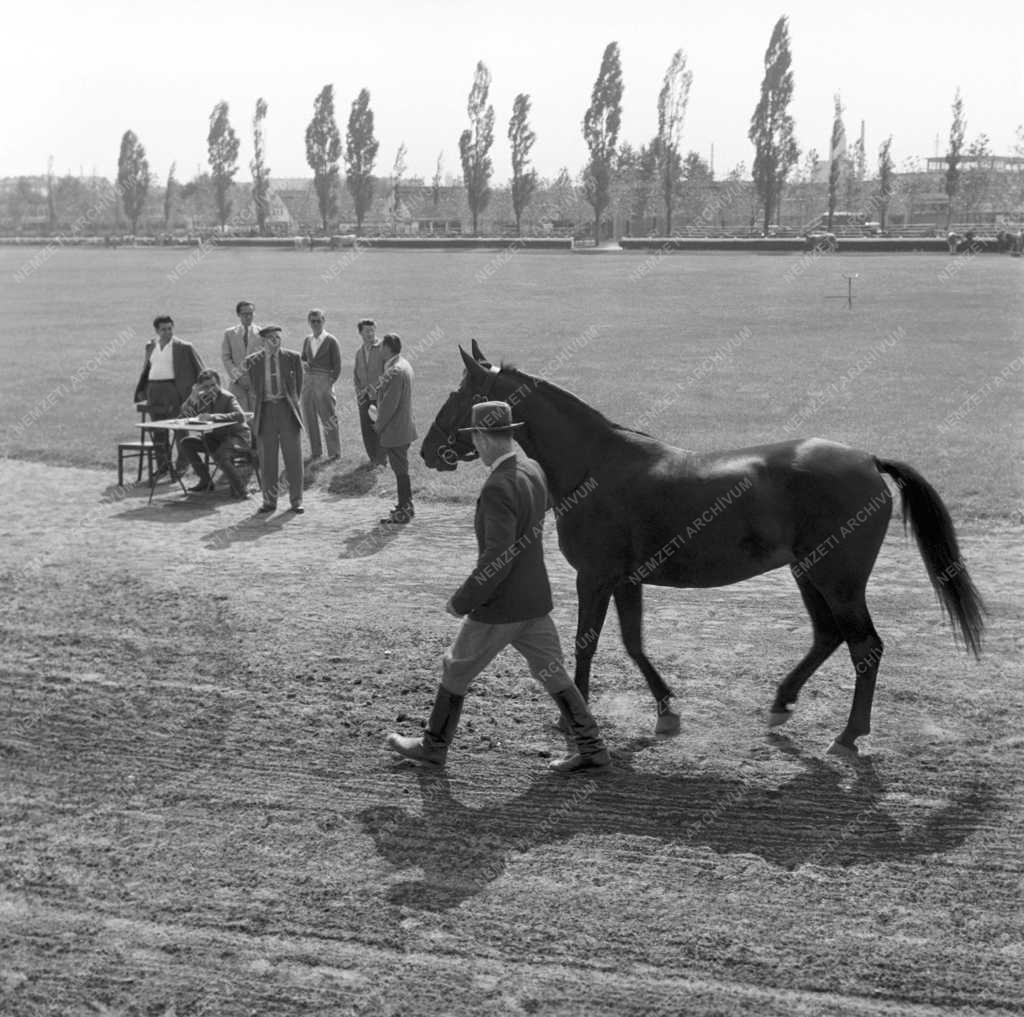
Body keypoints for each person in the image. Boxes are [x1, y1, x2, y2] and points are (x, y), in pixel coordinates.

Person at [386, 400, 611, 775]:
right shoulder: (532, 469)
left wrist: (463, 600)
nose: (475, 445)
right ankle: (592, 748)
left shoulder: (497, 487)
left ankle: (433, 747)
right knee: (553, 671)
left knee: (456, 668)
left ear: (483, 437)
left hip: (501, 607)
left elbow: (498, 556)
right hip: (535, 601)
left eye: (475, 438)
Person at [133, 314, 204, 476]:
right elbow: (147, 368)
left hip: (173, 389)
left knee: (179, 428)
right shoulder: (150, 345)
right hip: (153, 390)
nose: (167, 332)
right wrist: (143, 389)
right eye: (163, 329)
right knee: (158, 429)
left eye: (170, 328)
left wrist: (196, 392)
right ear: (156, 331)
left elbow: (201, 370)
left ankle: (182, 465)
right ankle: (163, 466)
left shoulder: (185, 347)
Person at [245, 324, 305, 514]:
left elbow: (299, 385)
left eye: (278, 337)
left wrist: (292, 403)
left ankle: (296, 501)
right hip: (265, 411)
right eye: (271, 338)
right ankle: (269, 502)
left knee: (293, 457)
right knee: (268, 460)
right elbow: (253, 387)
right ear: (263, 341)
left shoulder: (293, 357)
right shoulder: (252, 361)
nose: (275, 341)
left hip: (287, 410)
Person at [177, 369, 252, 499]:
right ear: (200, 387)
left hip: (237, 437)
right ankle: (206, 481)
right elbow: (183, 415)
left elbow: (240, 416)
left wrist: (213, 417)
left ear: (219, 383)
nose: (210, 389)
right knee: (186, 443)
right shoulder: (202, 397)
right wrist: (192, 397)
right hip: (216, 437)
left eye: (213, 385)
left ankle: (242, 490)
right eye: (206, 387)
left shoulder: (227, 397)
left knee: (221, 454)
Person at [374, 333, 417, 524]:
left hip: (396, 429)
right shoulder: (404, 365)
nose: (379, 349)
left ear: (387, 348)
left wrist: (378, 425)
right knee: (401, 468)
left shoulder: (395, 371)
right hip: (403, 426)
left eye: (381, 346)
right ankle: (406, 507)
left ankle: (404, 509)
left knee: (400, 470)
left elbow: (389, 404)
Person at [300, 308, 342, 461]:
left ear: (324, 321)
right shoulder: (307, 340)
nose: (316, 324)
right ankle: (316, 451)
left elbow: (337, 366)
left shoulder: (331, 341)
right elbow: (303, 358)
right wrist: (304, 364)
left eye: (318, 321)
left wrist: (329, 383)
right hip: (308, 382)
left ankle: (334, 451)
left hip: (324, 382)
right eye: (313, 321)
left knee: (328, 418)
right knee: (309, 417)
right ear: (309, 322)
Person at [352, 318, 387, 466]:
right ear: (360, 333)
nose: (370, 333)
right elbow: (356, 375)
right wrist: (359, 392)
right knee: (366, 429)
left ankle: (381, 460)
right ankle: (373, 459)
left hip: (380, 397)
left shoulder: (383, 349)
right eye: (367, 331)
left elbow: (389, 371)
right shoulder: (359, 353)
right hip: (363, 398)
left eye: (372, 330)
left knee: (380, 428)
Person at [222, 301, 262, 411]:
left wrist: (253, 378)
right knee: (238, 415)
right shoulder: (229, 333)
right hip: (237, 384)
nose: (248, 317)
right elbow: (226, 357)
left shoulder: (262, 334)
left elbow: (263, 358)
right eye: (245, 314)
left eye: (251, 313)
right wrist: (238, 377)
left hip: (255, 384)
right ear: (238, 315)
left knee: (256, 416)